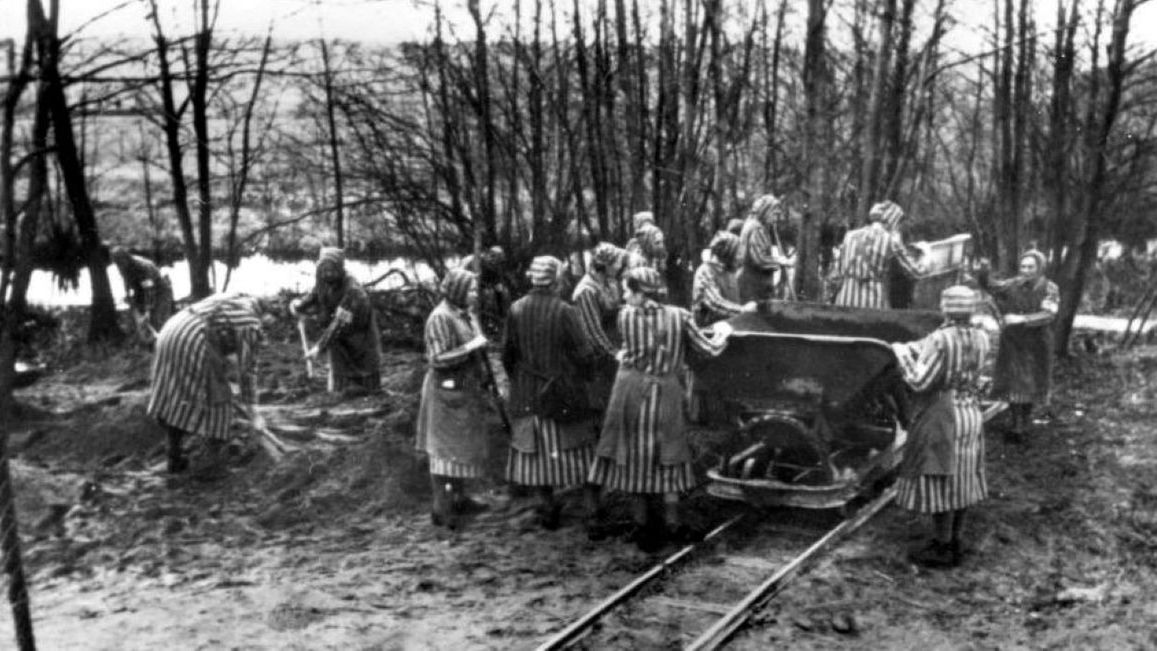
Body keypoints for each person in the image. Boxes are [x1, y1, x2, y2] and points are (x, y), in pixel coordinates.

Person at [587, 267, 732, 551]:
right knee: (669, 457)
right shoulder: (680, 316)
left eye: (628, 291)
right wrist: (722, 333)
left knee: (635, 457)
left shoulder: (625, 317)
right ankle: (673, 523)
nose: (625, 297)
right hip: (665, 393)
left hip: (631, 392)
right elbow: (709, 350)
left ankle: (641, 524)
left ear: (641, 294)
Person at [890, 285, 991, 568]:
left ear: (945, 308)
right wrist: (913, 347)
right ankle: (955, 540)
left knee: (942, 477)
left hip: (943, 414)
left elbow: (920, 381)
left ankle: (941, 546)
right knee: (963, 477)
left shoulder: (941, 339)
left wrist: (901, 356)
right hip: (970, 412)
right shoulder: (981, 336)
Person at [502, 256, 600, 529]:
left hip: (527, 395)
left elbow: (507, 355)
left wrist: (519, 380)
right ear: (556, 280)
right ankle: (592, 513)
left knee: (534, 455)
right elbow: (584, 353)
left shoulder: (515, 309)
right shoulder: (565, 311)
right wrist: (586, 377)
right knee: (580, 453)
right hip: (562, 393)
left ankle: (547, 508)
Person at [147, 293, 267, 480]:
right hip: (193, 338)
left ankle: (174, 457)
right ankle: (211, 464)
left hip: (170, 332)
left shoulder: (233, 300)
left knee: (177, 395)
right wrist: (255, 414)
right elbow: (248, 370)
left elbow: (226, 350)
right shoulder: (250, 321)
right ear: (264, 313)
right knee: (218, 398)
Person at [415, 268, 492, 529]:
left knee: (459, 451)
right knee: (443, 454)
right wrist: (470, 347)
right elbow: (437, 359)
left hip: (462, 391)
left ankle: (460, 499)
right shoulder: (440, 317)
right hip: (444, 394)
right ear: (457, 291)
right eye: (470, 290)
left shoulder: (465, 314)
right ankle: (441, 509)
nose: (475, 294)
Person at [978, 249, 1059, 441]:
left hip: (1037, 342)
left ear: (1040, 268)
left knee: (1031, 382)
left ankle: (1025, 421)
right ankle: (1017, 425)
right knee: (1014, 382)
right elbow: (991, 287)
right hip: (1014, 342)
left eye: (1031, 267)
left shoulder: (1050, 288)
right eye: (1023, 266)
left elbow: (1049, 314)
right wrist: (984, 270)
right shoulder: (1013, 284)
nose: (1026, 271)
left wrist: (1022, 318)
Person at [290, 247, 382, 394]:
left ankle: (368, 393)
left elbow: (340, 323)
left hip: (359, 334)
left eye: (332, 270)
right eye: (324, 270)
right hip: (339, 336)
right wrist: (299, 306)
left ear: (340, 269)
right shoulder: (323, 279)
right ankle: (338, 391)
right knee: (339, 372)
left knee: (365, 374)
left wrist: (318, 348)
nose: (328, 274)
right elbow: (315, 295)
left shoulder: (353, 290)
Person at [832, 200, 925, 309]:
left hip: (844, 301)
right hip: (871, 303)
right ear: (893, 222)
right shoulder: (891, 240)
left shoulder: (849, 235)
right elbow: (916, 271)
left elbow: (837, 271)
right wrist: (924, 252)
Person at [572, 242, 628, 414]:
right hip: (599, 356)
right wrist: (614, 354)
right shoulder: (586, 291)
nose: (620, 266)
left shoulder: (608, 282)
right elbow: (592, 331)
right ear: (605, 265)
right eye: (617, 263)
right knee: (606, 403)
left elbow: (614, 308)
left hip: (612, 347)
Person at [737, 194, 794, 302]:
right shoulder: (756, 228)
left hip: (752, 285)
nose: (776, 219)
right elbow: (759, 259)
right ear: (765, 211)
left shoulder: (754, 226)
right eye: (774, 214)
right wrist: (781, 261)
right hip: (752, 287)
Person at [692, 231, 757, 326]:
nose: (739, 257)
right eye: (737, 253)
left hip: (731, 327)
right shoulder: (706, 271)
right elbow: (714, 303)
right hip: (709, 330)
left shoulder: (729, 273)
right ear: (726, 252)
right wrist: (743, 310)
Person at [110, 246, 175, 340]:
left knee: (157, 321)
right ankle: (149, 343)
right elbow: (127, 283)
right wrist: (131, 300)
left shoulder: (142, 266)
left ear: (126, 258)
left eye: (121, 262)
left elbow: (149, 290)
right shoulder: (122, 267)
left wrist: (148, 311)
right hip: (141, 292)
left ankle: (165, 342)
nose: (120, 266)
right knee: (143, 325)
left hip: (159, 291)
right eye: (117, 263)